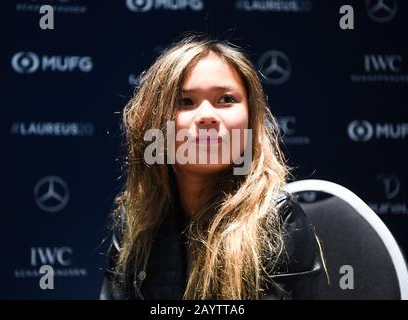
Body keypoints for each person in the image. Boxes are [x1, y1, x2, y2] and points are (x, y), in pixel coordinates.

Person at [100, 35, 325, 300]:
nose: (207, 115)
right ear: (154, 123)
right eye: (185, 102)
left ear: (251, 120)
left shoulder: (279, 220)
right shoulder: (136, 220)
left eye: (226, 100)